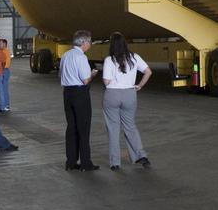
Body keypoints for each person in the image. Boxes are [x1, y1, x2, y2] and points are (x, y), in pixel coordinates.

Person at [101, 32, 151, 171]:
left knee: (113, 129)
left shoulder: (109, 60)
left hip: (112, 95)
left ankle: (115, 162)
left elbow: (106, 81)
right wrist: (139, 85)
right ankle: (141, 155)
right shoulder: (134, 57)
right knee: (130, 126)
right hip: (130, 94)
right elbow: (148, 72)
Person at [60, 30, 100, 170]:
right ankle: (85, 162)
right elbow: (85, 80)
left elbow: (61, 74)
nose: (90, 44)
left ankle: (70, 162)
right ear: (83, 43)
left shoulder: (65, 55)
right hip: (80, 94)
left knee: (71, 127)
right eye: (89, 41)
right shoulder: (81, 57)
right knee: (83, 127)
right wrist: (93, 74)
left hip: (67, 93)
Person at [0, 39, 13, 111]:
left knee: (4, 89)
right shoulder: (3, 51)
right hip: (4, 70)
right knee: (2, 88)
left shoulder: (5, 51)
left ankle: (6, 105)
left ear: (4, 44)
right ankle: (3, 104)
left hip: (4, 70)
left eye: (0, 43)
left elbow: (4, 63)